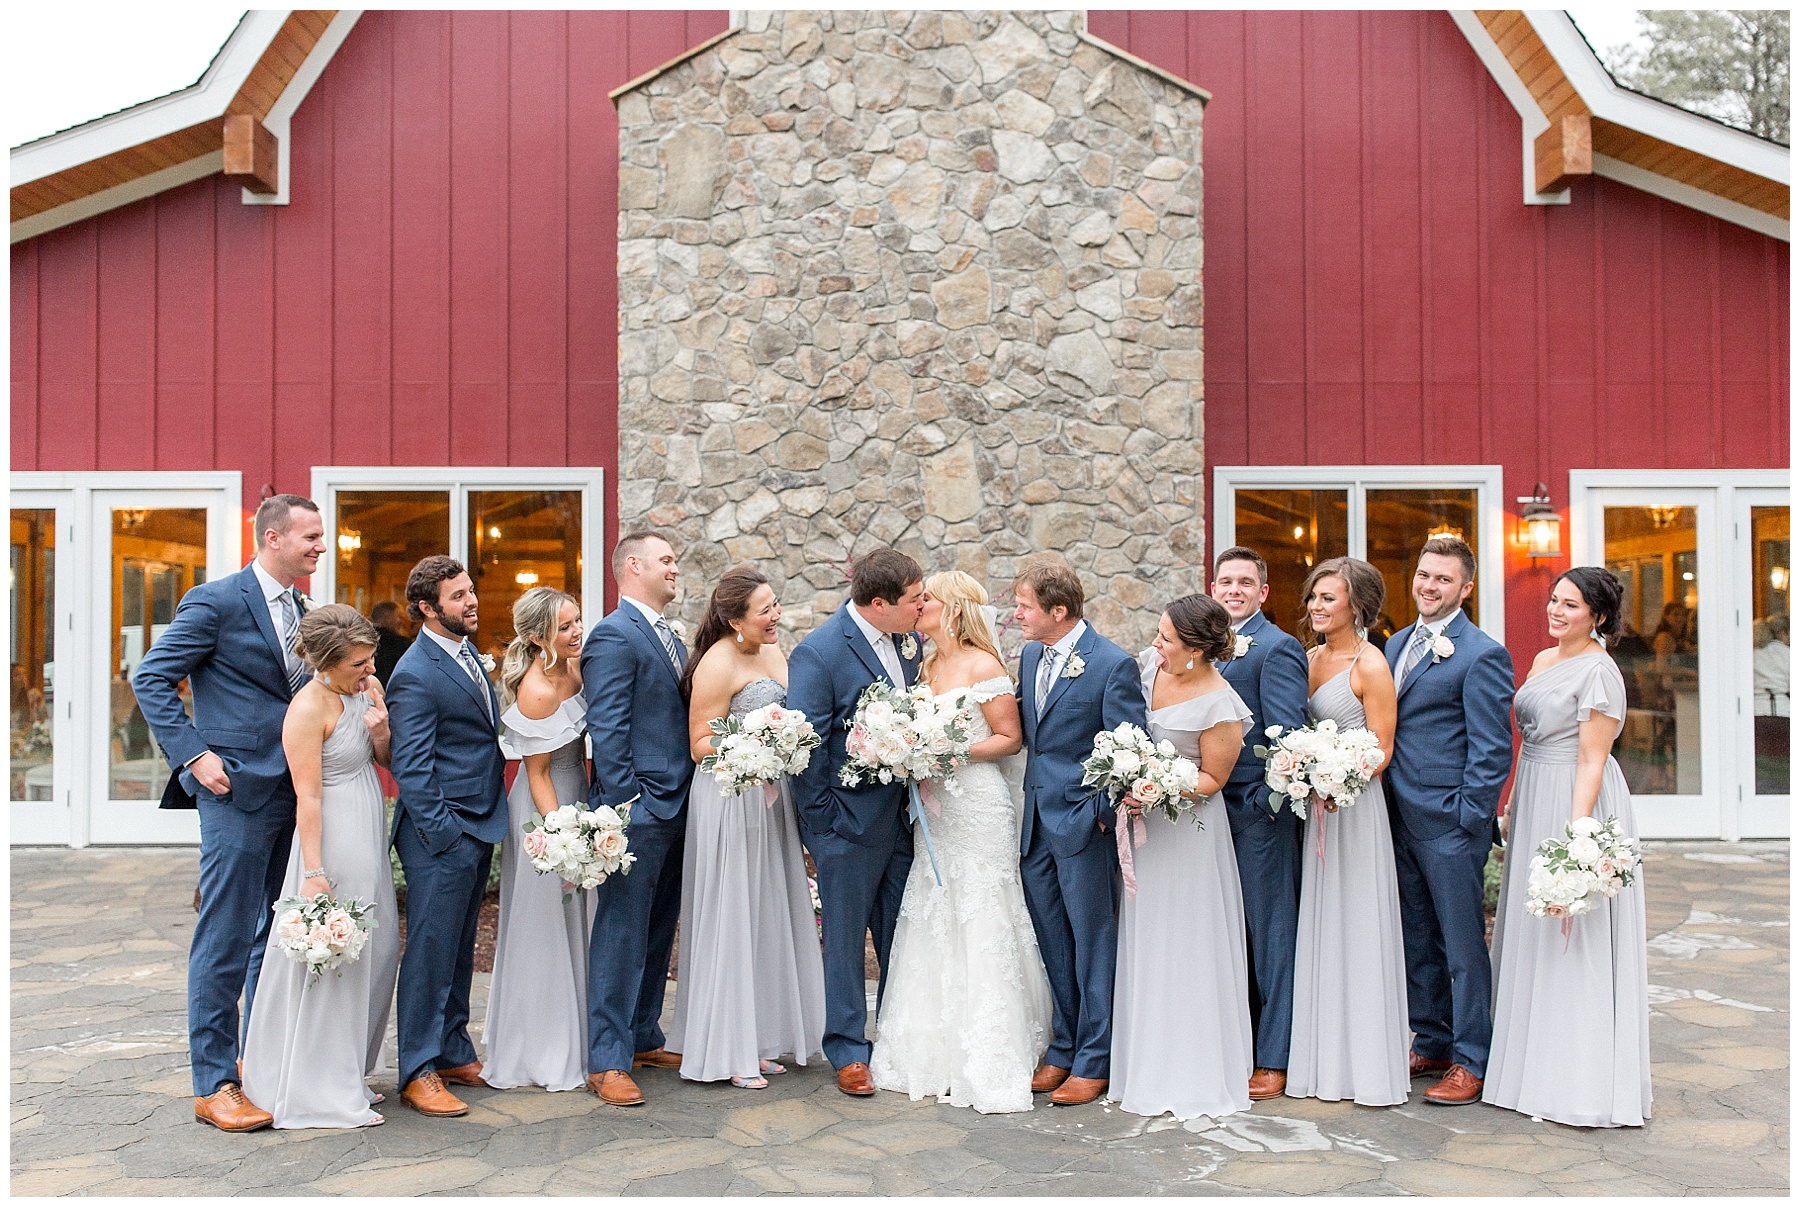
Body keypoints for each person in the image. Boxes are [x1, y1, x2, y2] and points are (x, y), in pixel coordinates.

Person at [132, 493, 327, 1132]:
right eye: (311, 538)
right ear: (274, 539)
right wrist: (192, 756)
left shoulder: (303, 609)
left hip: (293, 791)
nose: (320, 547)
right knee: (224, 936)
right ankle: (213, 1082)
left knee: (268, 939)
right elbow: (152, 677)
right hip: (233, 790)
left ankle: (258, 1062)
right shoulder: (216, 601)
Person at [870, 571, 1051, 1114]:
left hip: (976, 807)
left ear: (951, 609)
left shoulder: (983, 664)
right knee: (934, 911)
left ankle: (991, 1049)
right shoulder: (923, 665)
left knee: (983, 913)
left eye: (927, 599)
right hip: (934, 812)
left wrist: (946, 755)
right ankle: (929, 1048)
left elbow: (1009, 738)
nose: (918, 605)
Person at [1485, 567, 1651, 1128]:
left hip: (1575, 800)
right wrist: (1511, 801)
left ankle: (1575, 1079)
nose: (1556, 611)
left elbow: (1591, 759)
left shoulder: (1601, 673)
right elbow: (1528, 741)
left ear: (1598, 617)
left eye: (1571, 605)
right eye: (1554, 600)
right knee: (1534, 930)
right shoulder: (1542, 661)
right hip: (1534, 792)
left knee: (1574, 933)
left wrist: (1576, 836)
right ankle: (1528, 1066)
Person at [241, 605, 400, 1128]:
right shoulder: (307, 708)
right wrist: (313, 871)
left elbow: (384, 760)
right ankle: (320, 1084)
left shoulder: (364, 692)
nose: (370, 670)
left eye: (370, 659)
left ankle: (349, 1070)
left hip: (368, 819)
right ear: (326, 664)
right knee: (338, 954)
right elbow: (306, 797)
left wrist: (380, 730)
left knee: (379, 951)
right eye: (359, 663)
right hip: (333, 834)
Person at [668, 566, 826, 1088]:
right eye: (765, 610)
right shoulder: (717, 663)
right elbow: (699, 744)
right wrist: (755, 744)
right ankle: (727, 1051)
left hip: (770, 799)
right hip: (730, 797)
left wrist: (784, 743)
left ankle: (756, 1036)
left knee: (762, 911)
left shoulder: (775, 652)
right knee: (731, 912)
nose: (776, 615)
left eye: (776, 604)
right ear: (735, 620)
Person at [1111, 594, 1255, 1121]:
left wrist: (1156, 784)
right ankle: (1143, 1060)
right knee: (1148, 936)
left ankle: (1189, 1069)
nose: (1155, 643)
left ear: (1195, 649)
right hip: (1144, 830)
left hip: (1188, 835)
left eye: (1166, 637)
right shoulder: (1150, 667)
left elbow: (1213, 779)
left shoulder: (1221, 704)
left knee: (1186, 940)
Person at [787, 548, 924, 1098]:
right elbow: (807, 743)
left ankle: (894, 1038)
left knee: (901, 934)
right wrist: (824, 824)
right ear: (877, 604)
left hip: (906, 820)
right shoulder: (818, 653)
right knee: (844, 942)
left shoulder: (910, 644)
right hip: (846, 824)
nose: (922, 607)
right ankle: (847, 1049)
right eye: (913, 600)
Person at [1383, 536, 1515, 1105]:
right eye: (1423, 574)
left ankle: (1472, 1058)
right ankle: (1432, 1039)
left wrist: (1467, 818)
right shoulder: (1392, 645)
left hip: (1449, 824)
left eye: (1442, 579)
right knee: (1417, 937)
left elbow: (1492, 748)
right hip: (1396, 817)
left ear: (1465, 588)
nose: (1428, 586)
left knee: (1462, 946)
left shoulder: (1481, 653)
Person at [1014, 559, 1147, 1107]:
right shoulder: (1028, 655)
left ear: (1059, 611)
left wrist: (1094, 812)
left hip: (1081, 824)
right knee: (1053, 938)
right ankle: (1064, 1046)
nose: (1016, 614)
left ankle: (1096, 1059)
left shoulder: (1112, 665)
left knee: (1093, 943)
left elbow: (1127, 747)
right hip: (1034, 824)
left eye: (1024, 605)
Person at [386, 555, 509, 1117]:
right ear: (427, 609)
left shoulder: (467, 658)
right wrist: (444, 834)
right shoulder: (413, 672)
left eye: (471, 591)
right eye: (458, 596)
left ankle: (454, 1049)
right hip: (445, 829)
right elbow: (411, 767)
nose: (472, 601)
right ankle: (417, 1069)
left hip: (478, 820)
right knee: (432, 951)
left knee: (459, 948)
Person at [1286, 557, 1409, 1107]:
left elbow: (1381, 747)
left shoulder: (1371, 664)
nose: (1315, 606)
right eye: (1313, 597)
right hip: (1312, 807)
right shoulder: (1308, 657)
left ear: (1356, 605)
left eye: (1327, 598)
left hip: (1353, 810)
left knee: (1356, 920)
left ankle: (1364, 1064)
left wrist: (1337, 777)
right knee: (1320, 922)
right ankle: (1320, 1058)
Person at [582, 532, 696, 1106]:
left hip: (682, 803)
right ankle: (606, 1058)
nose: (676, 568)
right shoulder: (611, 635)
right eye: (666, 560)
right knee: (622, 929)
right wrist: (633, 802)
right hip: (643, 807)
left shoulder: (669, 636)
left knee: (658, 926)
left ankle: (644, 1033)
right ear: (633, 566)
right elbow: (608, 728)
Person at [482, 587, 594, 1092]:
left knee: (580, 918)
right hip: (545, 808)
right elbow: (539, 775)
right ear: (535, 637)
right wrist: (563, 836)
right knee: (545, 920)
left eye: (576, 622)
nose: (576, 633)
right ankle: (542, 1047)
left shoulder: (573, 668)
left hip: (579, 794)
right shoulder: (538, 690)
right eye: (565, 627)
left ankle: (585, 1035)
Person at [1209, 546, 1310, 1100]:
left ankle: (1274, 1056)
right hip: (1208, 816)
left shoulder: (1278, 648)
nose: (1234, 591)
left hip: (1255, 815)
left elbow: (1286, 738)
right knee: (1230, 933)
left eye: (1246, 582)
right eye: (1226, 581)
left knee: (1271, 935)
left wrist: (1259, 806)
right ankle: (1238, 1043)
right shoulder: (1207, 648)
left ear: (1263, 592)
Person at [370, 600, 411, 686]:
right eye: (399, 617)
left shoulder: (362, 639)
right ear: (387, 618)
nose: (403, 621)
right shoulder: (399, 643)